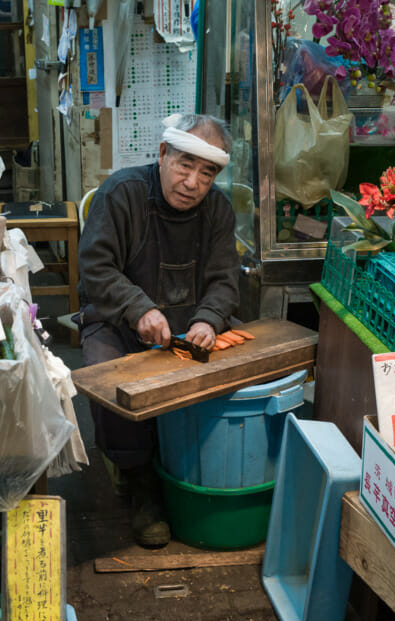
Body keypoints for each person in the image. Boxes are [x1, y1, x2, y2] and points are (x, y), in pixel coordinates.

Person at [77, 113, 240, 548]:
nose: (192, 183)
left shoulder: (219, 210)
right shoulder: (122, 193)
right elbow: (96, 267)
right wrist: (138, 309)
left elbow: (225, 280)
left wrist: (209, 318)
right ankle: (139, 482)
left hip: (187, 327)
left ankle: (190, 470)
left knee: (234, 371)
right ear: (163, 154)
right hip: (116, 320)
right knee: (111, 376)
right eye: (184, 165)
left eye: (206, 174)